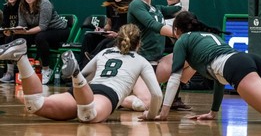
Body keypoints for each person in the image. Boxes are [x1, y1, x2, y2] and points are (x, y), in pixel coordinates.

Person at [0, 24, 162, 122]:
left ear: (118, 39)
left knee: (35, 104)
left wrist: (80, 77)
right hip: (107, 94)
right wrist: (150, 115)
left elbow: (86, 74)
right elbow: (157, 95)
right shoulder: (142, 61)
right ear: (139, 43)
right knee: (88, 116)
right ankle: (74, 73)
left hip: (86, 89)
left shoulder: (104, 53)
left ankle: (21, 57)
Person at [122, 0, 195, 112]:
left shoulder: (158, 9)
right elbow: (153, 25)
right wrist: (179, 35)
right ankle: (121, 99)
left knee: (193, 55)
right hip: (138, 66)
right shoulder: (136, 4)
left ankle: (171, 97)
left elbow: (183, 9)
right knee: (146, 105)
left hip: (156, 64)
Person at [13, 0, 70, 85]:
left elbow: (42, 27)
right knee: (18, 38)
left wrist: (27, 32)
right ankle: (24, 69)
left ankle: (46, 69)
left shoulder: (45, 3)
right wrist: (15, 30)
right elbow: (22, 25)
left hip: (59, 30)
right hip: (41, 31)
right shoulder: (22, 5)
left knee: (40, 37)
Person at [79, 0, 134, 68]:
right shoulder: (109, 3)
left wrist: (117, 34)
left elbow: (134, 28)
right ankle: (81, 68)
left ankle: (91, 60)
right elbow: (109, 24)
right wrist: (102, 30)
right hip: (111, 34)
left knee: (105, 43)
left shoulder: (131, 2)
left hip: (123, 36)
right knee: (89, 37)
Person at [0, 0, 21, 82]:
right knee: (6, 38)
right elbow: (4, 23)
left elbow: (22, 23)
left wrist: (10, 31)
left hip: (22, 33)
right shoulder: (6, 7)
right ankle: (8, 72)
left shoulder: (21, 6)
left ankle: (10, 72)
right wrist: (5, 30)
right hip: (11, 33)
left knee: (10, 39)